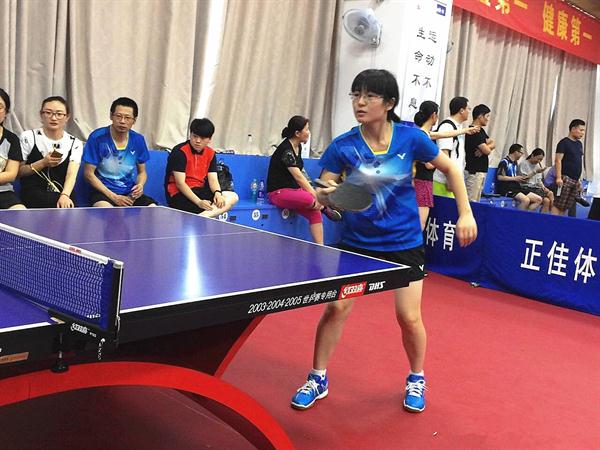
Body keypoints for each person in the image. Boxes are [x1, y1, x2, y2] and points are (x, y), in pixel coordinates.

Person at [290, 69, 477, 413]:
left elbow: (450, 169)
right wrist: (329, 196)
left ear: (389, 103)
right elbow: (323, 189)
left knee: (409, 317)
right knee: (337, 308)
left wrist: (465, 213)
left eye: (369, 96)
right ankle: (318, 377)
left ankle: (417, 377)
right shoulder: (343, 145)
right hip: (358, 242)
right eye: (356, 94)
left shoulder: (411, 138)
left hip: (404, 242)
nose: (360, 102)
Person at [266, 115, 341, 244]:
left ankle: (320, 247)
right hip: (278, 193)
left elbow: (302, 173)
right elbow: (299, 177)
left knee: (315, 212)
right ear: (297, 133)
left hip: (294, 192)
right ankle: (324, 208)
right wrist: (316, 196)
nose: (309, 132)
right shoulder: (286, 150)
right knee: (310, 199)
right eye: (306, 129)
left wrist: (313, 190)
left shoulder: (298, 147)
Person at [413, 101, 478, 229]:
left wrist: (465, 130)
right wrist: (442, 163)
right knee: (420, 223)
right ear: (434, 115)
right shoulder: (423, 138)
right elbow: (429, 165)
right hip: (422, 184)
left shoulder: (423, 133)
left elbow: (443, 134)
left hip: (418, 183)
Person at [83, 97, 157, 207]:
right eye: (118, 116)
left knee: (152, 208)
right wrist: (114, 197)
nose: (122, 121)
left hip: (129, 193)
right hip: (103, 193)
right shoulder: (97, 137)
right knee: (107, 211)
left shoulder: (138, 139)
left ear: (134, 120)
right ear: (111, 116)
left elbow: (142, 172)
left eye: (127, 117)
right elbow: (88, 174)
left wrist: (140, 185)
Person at [18, 96, 83, 208]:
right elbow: (19, 172)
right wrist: (42, 163)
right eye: (48, 113)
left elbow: (71, 174)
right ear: (41, 115)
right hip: (33, 194)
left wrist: (65, 195)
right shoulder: (28, 137)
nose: (53, 118)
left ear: (67, 117)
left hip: (63, 195)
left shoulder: (75, 143)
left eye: (59, 114)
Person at [165, 118, 239, 217]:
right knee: (206, 207)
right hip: (178, 194)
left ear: (209, 139)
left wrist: (217, 193)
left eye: (202, 138)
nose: (197, 141)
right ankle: (204, 217)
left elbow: (213, 179)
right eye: (195, 136)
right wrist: (199, 202)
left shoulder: (211, 153)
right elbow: (180, 183)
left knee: (232, 196)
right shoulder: (179, 151)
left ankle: (203, 217)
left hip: (199, 191)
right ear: (190, 134)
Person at [432, 96, 470, 198]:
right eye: (468, 109)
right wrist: (449, 178)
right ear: (461, 110)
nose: (469, 112)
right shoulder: (447, 127)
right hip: (443, 182)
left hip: (454, 180)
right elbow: (444, 154)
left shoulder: (458, 127)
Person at [553, 119, 586, 216]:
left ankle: (560, 223)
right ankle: (553, 223)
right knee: (558, 204)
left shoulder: (579, 144)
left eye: (583, 130)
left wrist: (579, 180)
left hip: (575, 180)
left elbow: (578, 161)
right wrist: (559, 177)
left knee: (566, 206)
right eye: (581, 130)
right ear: (573, 129)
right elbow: (558, 160)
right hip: (565, 178)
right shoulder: (564, 143)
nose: (582, 133)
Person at [495, 144, 542, 211]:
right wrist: (515, 178)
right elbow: (499, 177)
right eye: (521, 153)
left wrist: (533, 173)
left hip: (516, 187)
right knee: (526, 200)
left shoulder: (515, 163)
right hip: (507, 188)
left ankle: (525, 215)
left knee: (538, 199)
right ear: (516, 152)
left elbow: (520, 178)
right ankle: (518, 216)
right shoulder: (504, 162)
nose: (522, 155)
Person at [464, 104, 495, 202]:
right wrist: (484, 149)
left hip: (480, 172)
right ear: (480, 116)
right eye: (487, 116)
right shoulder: (473, 131)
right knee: (471, 201)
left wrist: (482, 149)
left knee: (477, 201)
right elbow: (487, 151)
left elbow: (493, 143)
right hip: (474, 172)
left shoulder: (481, 131)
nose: (488, 119)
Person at [0, 89, 25, 210]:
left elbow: (11, 174)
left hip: (3, 193)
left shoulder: (12, 139)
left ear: (6, 112)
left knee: (20, 211)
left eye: (0, 107)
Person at [518, 148, 553, 213]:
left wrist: (543, 187)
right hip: (525, 187)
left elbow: (538, 180)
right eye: (538, 159)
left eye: (541, 160)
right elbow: (523, 180)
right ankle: (554, 214)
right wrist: (535, 172)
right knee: (551, 193)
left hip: (534, 188)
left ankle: (542, 218)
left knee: (547, 201)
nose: (539, 161)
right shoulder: (523, 163)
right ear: (532, 155)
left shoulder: (537, 166)